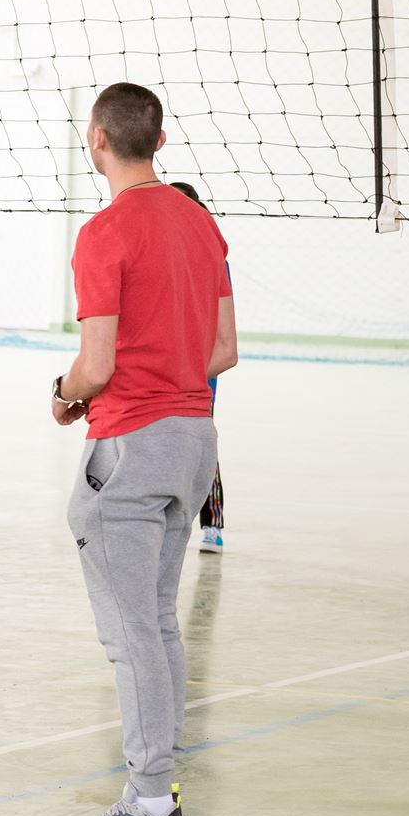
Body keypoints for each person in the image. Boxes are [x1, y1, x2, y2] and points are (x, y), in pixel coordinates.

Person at [50, 82, 235, 816]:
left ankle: (151, 800)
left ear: (98, 140)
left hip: (131, 444)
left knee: (133, 635)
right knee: (158, 622)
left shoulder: (104, 232)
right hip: (194, 443)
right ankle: (157, 787)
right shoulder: (201, 224)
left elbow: (94, 365)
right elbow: (223, 350)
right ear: (159, 141)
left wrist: (65, 394)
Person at [170, 181, 227, 553]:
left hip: (200, 368)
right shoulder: (160, 252)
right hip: (163, 366)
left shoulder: (214, 258)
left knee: (201, 446)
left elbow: (224, 333)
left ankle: (213, 524)